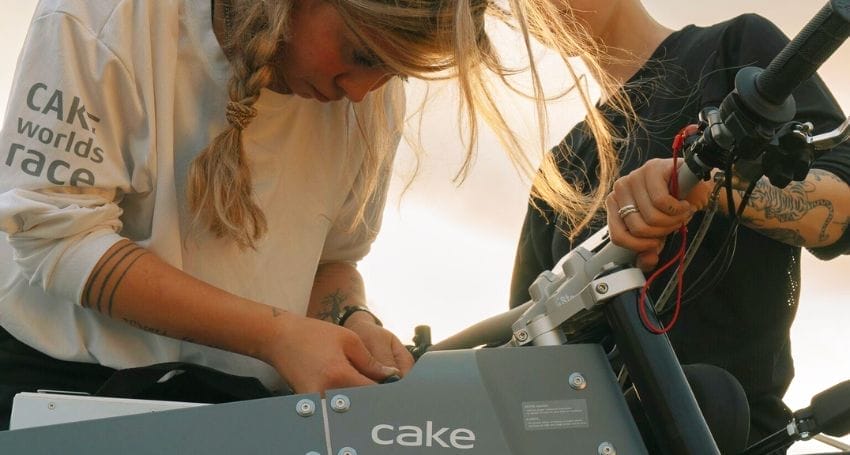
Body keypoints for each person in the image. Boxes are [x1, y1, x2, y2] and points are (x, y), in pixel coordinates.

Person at [0, 0, 625, 430]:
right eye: (358, 53)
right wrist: (275, 336)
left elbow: (330, 262)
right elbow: (58, 237)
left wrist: (350, 318)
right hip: (57, 391)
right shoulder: (109, 19)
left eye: (389, 70)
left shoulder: (369, 98)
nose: (359, 91)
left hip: (242, 411)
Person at [509, 0, 850, 448]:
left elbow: (842, 204)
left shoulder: (733, 48)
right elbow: (521, 341)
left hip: (734, 435)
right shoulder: (559, 169)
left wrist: (700, 184)